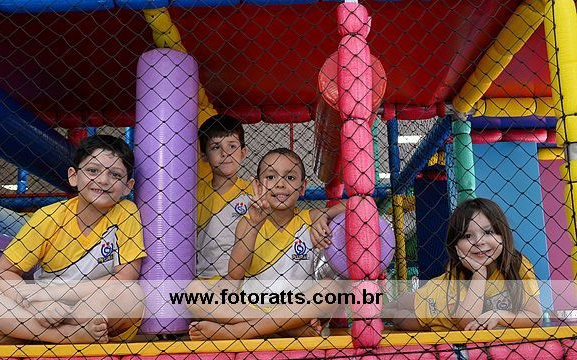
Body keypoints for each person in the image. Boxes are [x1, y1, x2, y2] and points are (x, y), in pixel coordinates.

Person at [0, 135, 146, 344]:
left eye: (115, 174)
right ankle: (65, 335)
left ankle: (21, 335)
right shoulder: (48, 216)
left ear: (127, 186)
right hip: (42, 308)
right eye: (93, 170)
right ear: (73, 176)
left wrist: (49, 295)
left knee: (132, 295)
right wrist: (31, 302)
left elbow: (125, 278)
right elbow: (2, 273)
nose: (103, 180)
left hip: (89, 306)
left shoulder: (126, 213)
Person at [188, 148, 344, 340]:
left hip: (296, 306)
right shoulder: (247, 221)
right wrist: (254, 225)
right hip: (253, 307)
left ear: (303, 187)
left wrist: (325, 215)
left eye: (290, 178)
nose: (280, 184)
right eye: (270, 177)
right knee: (194, 292)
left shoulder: (309, 219)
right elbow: (235, 274)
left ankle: (237, 332)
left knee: (330, 289)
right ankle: (284, 327)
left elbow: (355, 205)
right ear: (258, 185)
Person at [382, 198, 542, 331]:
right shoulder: (458, 269)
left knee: (399, 319)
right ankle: (370, 310)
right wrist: (479, 273)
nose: (479, 242)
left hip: (441, 323)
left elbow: (535, 317)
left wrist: (499, 315)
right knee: (398, 304)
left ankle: (377, 314)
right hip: (434, 298)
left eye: (488, 232)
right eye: (468, 236)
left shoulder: (517, 265)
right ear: (456, 244)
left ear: (503, 235)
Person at [196, 114, 253, 279]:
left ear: (243, 153)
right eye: (215, 147)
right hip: (205, 279)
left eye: (232, 146)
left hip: (245, 279)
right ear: (204, 155)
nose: (225, 153)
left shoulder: (253, 191)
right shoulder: (194, 195)